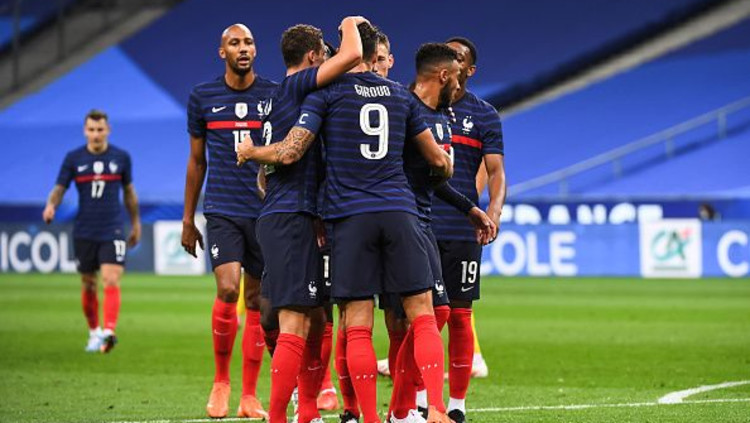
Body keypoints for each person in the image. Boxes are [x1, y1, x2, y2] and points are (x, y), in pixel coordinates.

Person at [237, 22, 455, 423]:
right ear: (375, 56)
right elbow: (440, 162)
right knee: (422, 313)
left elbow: (292, 150)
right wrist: (439, 174)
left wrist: (253, 153)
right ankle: (437, 409)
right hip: (399, 210)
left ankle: (364, 416)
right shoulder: (401, 97)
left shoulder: (325, 96)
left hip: (347, 217)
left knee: (354, 323)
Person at [240, 17, 367, 423]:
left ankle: (308, 412)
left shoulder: (277, 99)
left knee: (314, 316)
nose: (328, 60)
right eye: (324, 54)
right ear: (313, 57)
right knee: (294, 321)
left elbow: (265, 175)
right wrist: (350, 21)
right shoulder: (298, 86)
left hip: (292, 214)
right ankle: (282, 415)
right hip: (292, 217)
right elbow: (353, 53)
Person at [387, 43, 497, 423]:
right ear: (445, 74)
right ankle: (412, 408)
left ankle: (418, 408)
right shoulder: (403, 107)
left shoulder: (449, 116)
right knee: (391, 318)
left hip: (428, 221)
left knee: (443, 312)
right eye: (454, 73)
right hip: (404, 223)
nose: (458, 81)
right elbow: (428, 169)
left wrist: (472, 209)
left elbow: (437, 179)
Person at [182, 23, 277, 419]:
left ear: (256, 50)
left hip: (265, 211)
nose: (243, 48)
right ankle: (221, 382)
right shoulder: (202, 97)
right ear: (222, 52)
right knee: (227, 288)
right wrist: (187, 219)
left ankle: (249, 396)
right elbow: (196, 161)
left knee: (255, 300)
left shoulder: (273, 94)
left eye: (249, 42)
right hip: (222, 208)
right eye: (235, 43)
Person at [432, 36, 507, 423]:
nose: (450, 61)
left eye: (458, 57)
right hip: (422, 224)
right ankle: (420, 401)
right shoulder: (418, 104)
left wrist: (492, 211)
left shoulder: (484, 115)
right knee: (423, 317)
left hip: (463, 228)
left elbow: (496, 172)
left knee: (460, 316)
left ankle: (457, 405)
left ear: (470, 69)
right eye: (446, 54)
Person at [43, 109, 141, 354]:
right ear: (85, 131)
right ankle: (94, 331)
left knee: (111, 278)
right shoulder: (73, 158)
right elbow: (59, 188)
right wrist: (51, 205)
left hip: (113, 227)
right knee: (88, 283)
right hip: (85, 229)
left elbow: (129, 192)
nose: (96, 134)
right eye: (91, 130)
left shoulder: (121, 157)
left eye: (100, 129)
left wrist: (136, 222)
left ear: (108, 130)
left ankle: (109, 331)